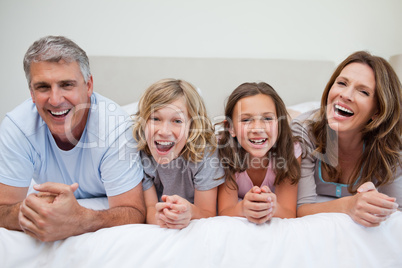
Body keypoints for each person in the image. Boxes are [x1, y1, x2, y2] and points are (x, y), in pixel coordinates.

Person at [0, 36, 146, 242]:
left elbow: (134, 211)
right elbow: (3, 208)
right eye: (43, 87)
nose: (56, 100)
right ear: (31, 93)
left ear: (88, 86)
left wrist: (79, 219)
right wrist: (28, 213)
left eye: (66, 85)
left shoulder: (115, 127)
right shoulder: (17, 128)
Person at [292, 51, 401, 227]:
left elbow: (397, 210)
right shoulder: (302, 133)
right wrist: (348, 205)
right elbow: (300, 209)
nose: (346, 95)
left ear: (378, 111)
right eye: (342, 83)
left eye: (363, 92)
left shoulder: (392, 145)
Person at [132, 78, 225, 229]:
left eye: (177, 121)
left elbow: (207, 212)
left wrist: (190, 212)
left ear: (192, 126)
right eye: (155, 118)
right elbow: (150, 208)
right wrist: (160, 219)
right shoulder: (141, 152)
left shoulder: (205, 153)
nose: (164, 131)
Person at [217, 82, 301, 223]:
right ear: (230, 127)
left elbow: (289, 212)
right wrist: (242, 208)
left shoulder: (290, 150)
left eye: (267, 118)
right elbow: (225, 211)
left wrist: (273, 207)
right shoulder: (223, 151)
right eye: (246, 119)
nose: (257, 128)